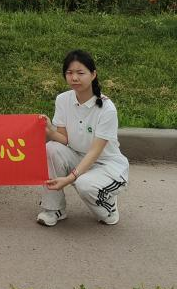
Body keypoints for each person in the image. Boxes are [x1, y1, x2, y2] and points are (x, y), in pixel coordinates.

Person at [37, 50, 129, 227]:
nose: (74, 78)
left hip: (106, 165)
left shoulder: (107, 109)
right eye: (69, 73)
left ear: (93, 75)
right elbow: (64, 139)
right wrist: (49, 130)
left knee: (85, 185)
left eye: (80, 73)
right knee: (51, 148)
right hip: (77, 156)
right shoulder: (62, 99)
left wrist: (69, 178)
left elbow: (95, 152)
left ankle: (109, 204)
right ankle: (54, 209)